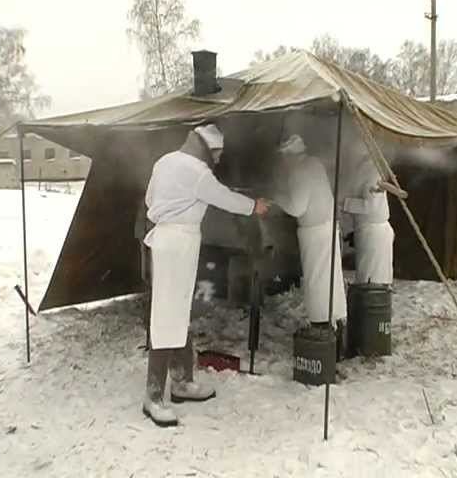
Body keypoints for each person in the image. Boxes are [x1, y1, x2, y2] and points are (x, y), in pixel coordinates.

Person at [142, 123, 270, 427]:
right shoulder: (197, 170)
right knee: (167, 315)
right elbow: (224, 197)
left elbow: (150, 200)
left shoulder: (164, 161)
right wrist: (255, 206)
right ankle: (154, 397)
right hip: (178, 243)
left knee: (178, 310)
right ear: (208, 149)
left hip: (167, 241)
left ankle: (183, 382)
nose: (218, 160)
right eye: (218, 154)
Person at [271, 134, 347, 336]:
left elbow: (296, 207)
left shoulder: (299, 171)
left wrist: (275, 196)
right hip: (328, 228)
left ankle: (320, 326)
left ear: (289, 156)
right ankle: (338, 326)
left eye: (284, 157)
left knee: (317, 281)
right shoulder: (315, 164)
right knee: (332, 280)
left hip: (315, 233)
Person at [343, 180, 394, 285]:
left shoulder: (370, 176)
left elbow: (370, 206)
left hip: (373, 232)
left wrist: (344, 203)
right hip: (372, 230)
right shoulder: (370, 176)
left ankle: (372, 295)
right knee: (372, 270)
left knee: (371, 272)